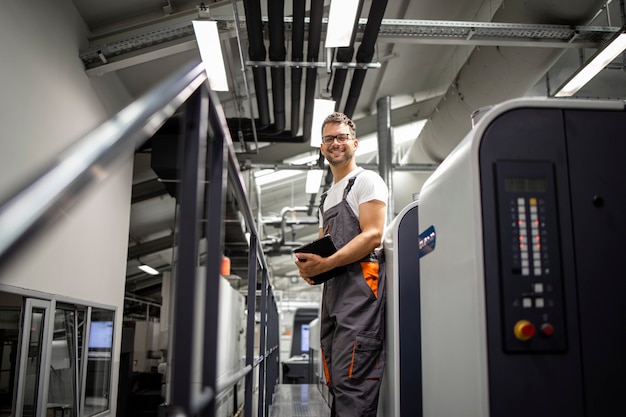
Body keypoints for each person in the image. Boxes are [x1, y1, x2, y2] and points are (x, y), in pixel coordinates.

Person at [295, 112, 388, 417]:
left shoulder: (367, 181)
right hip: (335, 296)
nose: (336, 143)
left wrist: (327, 263)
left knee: (353, 383)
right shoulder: (328, 196)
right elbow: (326, 244)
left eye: (342, 137)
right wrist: (312, 268)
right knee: (337, 380)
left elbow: (373, 235)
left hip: (361, 295)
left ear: (355, 143)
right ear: (322, 147)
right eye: (329, 139)